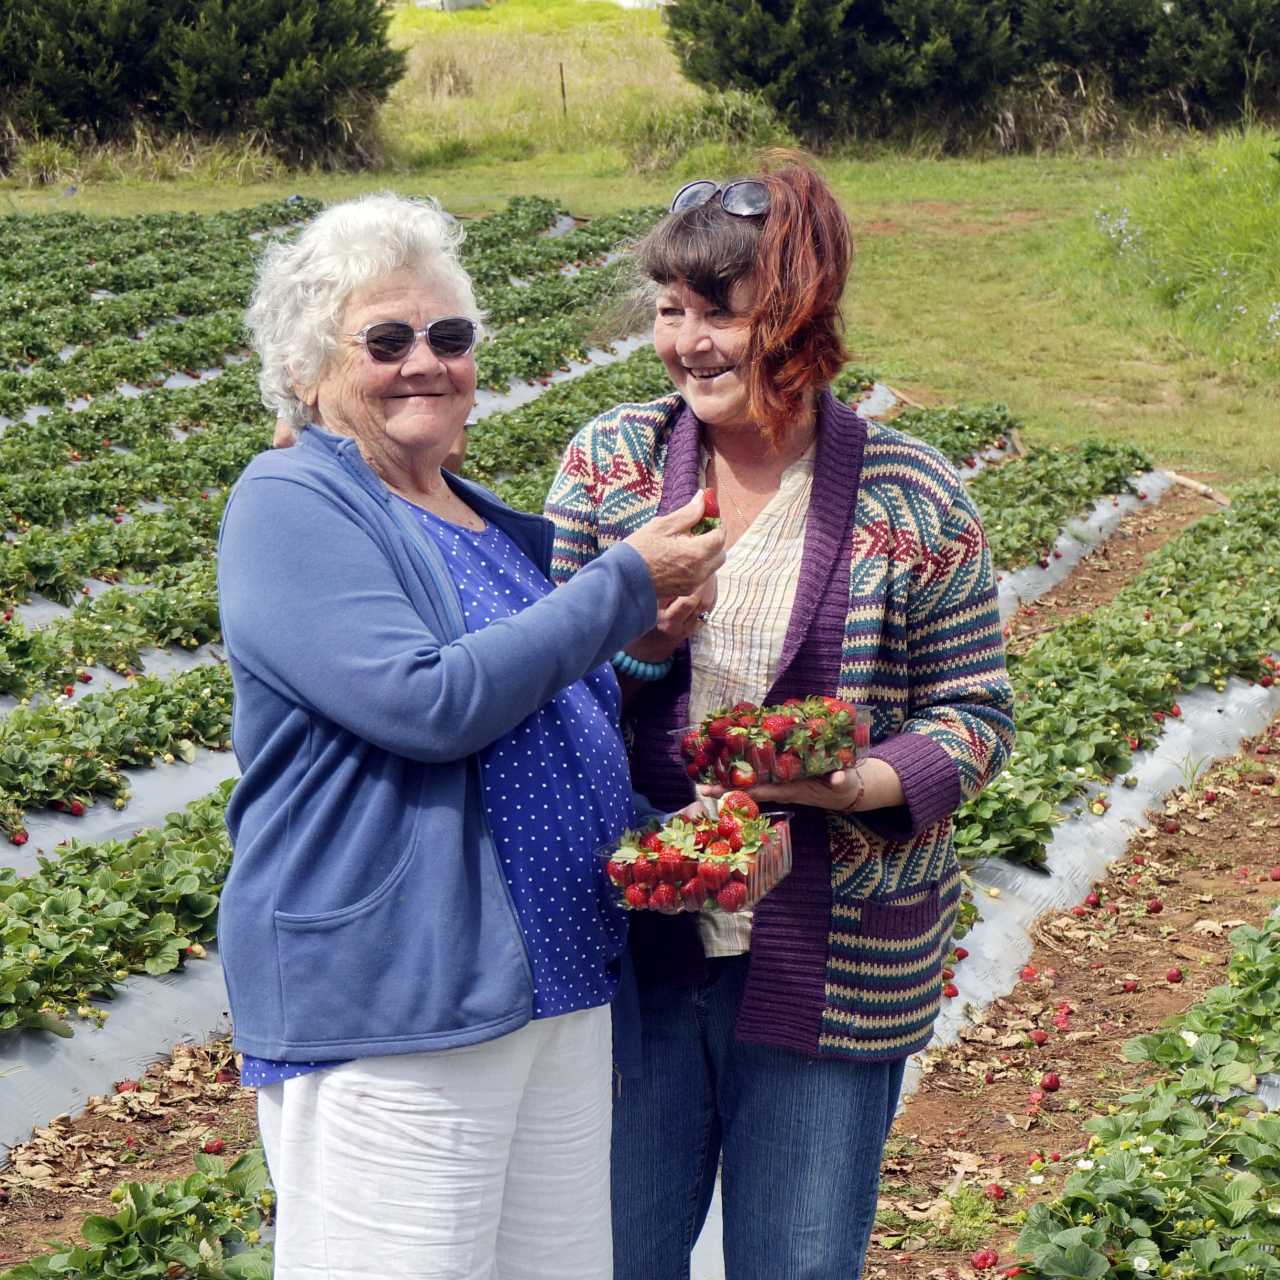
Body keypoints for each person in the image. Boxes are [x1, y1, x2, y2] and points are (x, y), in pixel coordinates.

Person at [217, 192, 723, 1280]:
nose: (424, 362)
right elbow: (427, 703)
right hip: (403, 1001)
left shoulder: (481, 520)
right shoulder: (292, 504)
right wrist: (620, 581)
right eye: (386, 339)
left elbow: (539, 728)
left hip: (555, 987)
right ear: (312, 366)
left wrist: (666, 837)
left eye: (448, 337)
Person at [544, 154, 1015, 1280]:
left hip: (836, 950)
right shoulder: (610, 465)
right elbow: (547, 695)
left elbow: (973, 710)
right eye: (669, 310)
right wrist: (642, 647)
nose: (686, 341)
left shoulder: (911, 494)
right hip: (642, 945)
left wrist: (856, 783)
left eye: (720, 311)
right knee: (615, 1253)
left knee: (796, 1262)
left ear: (796, 318)